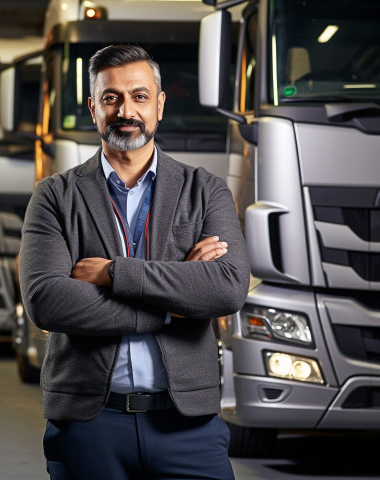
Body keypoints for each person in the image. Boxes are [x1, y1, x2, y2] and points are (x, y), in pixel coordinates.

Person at [19, 44, 250, 480]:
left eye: (140, 96)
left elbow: (226, 288)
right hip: (89, 425)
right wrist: (174, 302)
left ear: (159, 104)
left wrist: (112, 274)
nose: (126, 110)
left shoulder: (206, 191)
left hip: (189, 427)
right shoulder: (54, 196)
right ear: (93, 108)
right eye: (112, 98)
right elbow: (47, 301)